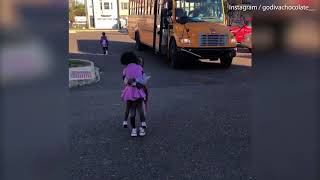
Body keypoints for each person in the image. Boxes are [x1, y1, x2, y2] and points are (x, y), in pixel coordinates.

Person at [120, 52, 148, 137]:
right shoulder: (139, 68)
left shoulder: (125, 70)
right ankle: (142, 126)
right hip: (138, 91)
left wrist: (131, 82)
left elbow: (125, 81)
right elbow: (144, 79)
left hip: (129, 92)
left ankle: (133, 130)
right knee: (141, 109)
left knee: (132, 112)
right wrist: (137, 83)